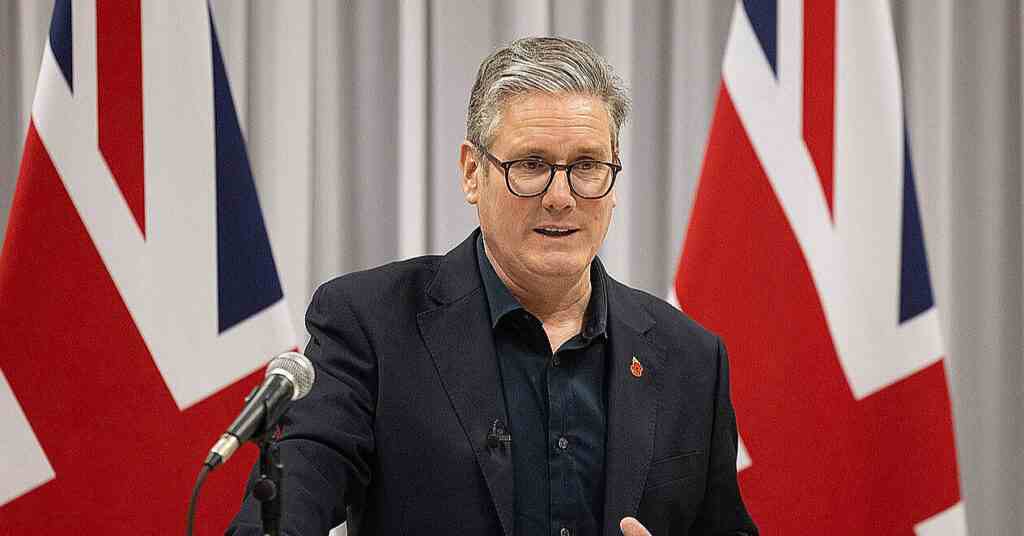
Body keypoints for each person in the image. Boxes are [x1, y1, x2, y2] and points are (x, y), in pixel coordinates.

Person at [228, 37, 757, 536]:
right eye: (531, 165)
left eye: (587, 166)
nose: (560, 197)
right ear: (471, 173)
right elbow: (283, 509)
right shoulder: (370, 325)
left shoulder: (690, 358)